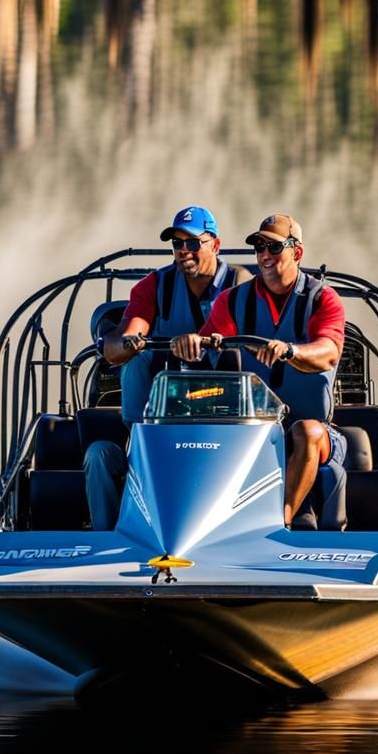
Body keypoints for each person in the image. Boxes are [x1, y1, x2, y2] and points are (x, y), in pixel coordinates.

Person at [170, 214, 347, 530]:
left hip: (316, 432)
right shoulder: (233, 300)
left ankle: (281, 524)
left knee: (306, 431)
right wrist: (192, 344)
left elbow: (328, 352)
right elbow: (212, 342)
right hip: (252, 428)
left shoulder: (323, 298)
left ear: (297, 252)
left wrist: (290, 350)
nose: (265, 255)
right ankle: (191, 526)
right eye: (258, 247)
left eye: (274, 247)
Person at [84, 206, 251, 529]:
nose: (183, 251)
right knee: (99, 453)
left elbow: (234, 328)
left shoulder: (240, 283)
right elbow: (130, 332)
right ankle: (106, 539)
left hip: (226, 421)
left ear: (214, 244)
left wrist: (201, 341)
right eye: (176, 243)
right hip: (158, 423)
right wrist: (126, 342)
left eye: (192, 243)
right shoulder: (153, 286)